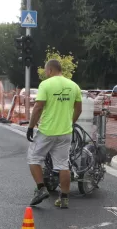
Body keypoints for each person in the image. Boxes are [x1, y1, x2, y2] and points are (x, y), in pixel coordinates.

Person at [26, 59, 83, 209]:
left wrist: (31, 127)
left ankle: (41, 189)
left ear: (50, 70)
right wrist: (70, 122)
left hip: (47, 131)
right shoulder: (74, 86)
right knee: (63, 164)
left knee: (34, 158)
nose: (46, 74)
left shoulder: (46, 84)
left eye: (46, 71)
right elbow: (79, 109)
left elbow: (38, 107)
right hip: (65, 132)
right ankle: (64, 198)